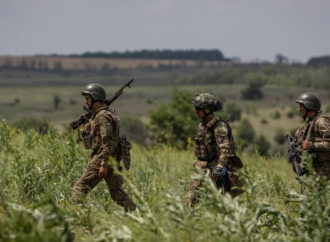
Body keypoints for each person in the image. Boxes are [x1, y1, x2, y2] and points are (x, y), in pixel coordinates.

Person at [72, 83, 136, 211]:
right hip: (110, 158)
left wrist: (102, 164)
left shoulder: (103, 116)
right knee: (117, 192)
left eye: (87, 98)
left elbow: (108, 142)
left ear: (95, 99)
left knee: (80, 188)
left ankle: (75, 217)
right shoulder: (101, 115)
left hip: (103, 157)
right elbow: (92, 141)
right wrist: (87, 125)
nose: (85, 101)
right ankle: (137, 213)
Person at [185, 93, 243, 206]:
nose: (196, 111)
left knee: (221, 203)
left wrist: (219, 168)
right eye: (195, 108)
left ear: (208, 109)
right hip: (201, 168)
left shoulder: (219, 127)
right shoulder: (202, 126)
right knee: (190, 198)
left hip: (216, 169)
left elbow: (224, 149)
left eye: (199, 108)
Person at [294, 93, 330, 194]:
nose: (299, 109)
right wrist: (300, 136)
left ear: (310, 107)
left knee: (312, 200)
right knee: (308, 199)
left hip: (322, 167)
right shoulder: (310, 122)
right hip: (313, 167)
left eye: (302, 106)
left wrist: (313, 146)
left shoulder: (321, 122)